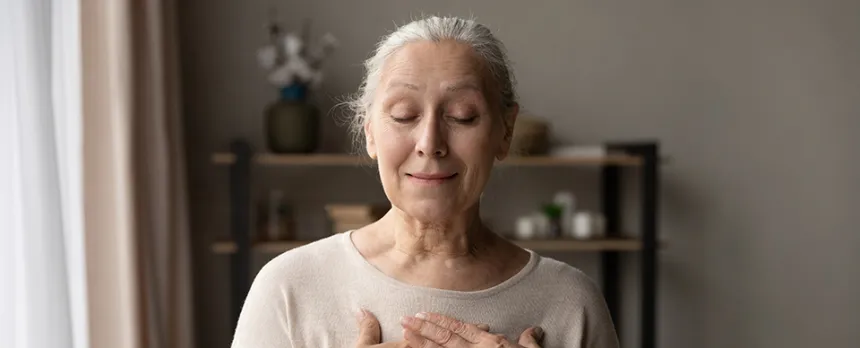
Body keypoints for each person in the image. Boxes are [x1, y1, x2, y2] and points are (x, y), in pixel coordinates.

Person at [231, 16, 619, 348]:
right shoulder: (290, 288)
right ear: (369, 132)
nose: (430, 143)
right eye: (403, 115)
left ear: (505, 131)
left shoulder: (571, 301)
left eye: (463, 116)